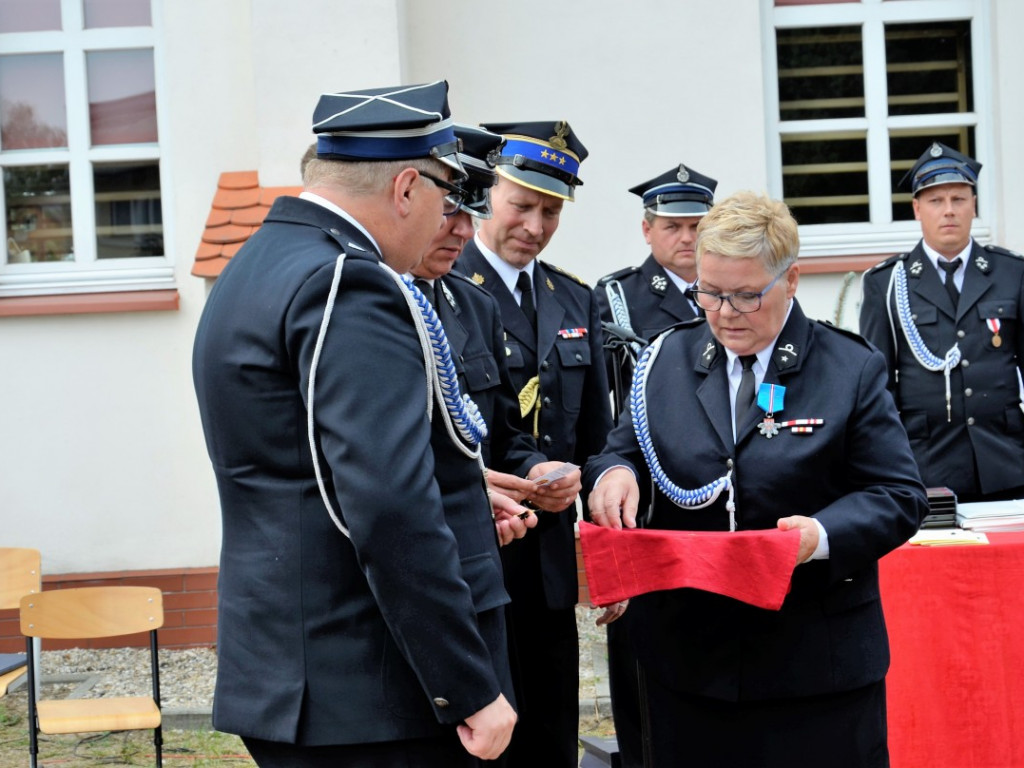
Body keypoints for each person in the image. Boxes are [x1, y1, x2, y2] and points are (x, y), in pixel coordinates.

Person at [192, 81, 525, 767]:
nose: (447, 220)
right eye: (444, 194)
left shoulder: (259, 263)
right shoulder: (351, 283)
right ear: (407, 187)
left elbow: (303, 466)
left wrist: (458, 495)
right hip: (373, 688)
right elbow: (385, 505)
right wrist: (466, 685)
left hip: (300, 671)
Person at [584, 191, 927, 768]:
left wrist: (818, 536)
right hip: (690, 665)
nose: (723, 313)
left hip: (815, 667)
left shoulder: (849, 367)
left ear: (790, 280)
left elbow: (898, 495)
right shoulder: (666, 357)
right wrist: (613, 474)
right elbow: (623, 446)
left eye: (745, 296)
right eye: (710, 292)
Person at [454, 120, 613, 767]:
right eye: (522, 205)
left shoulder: (574, 297)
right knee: (486, 739)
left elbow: (598, 436)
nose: (537, 225)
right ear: (485, 193)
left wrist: (605, 548)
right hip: (476, 550)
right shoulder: (446, 287)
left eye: (551, 211)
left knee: (551, 734)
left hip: (548, 557)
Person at [409, 123, 582, 512]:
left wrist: (537, 468)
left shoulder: (473, 304)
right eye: (450, 212)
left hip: (522, 521)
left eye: (550, 212)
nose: (466, 231)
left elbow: (503, 435)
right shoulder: (374, 299)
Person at [860, 141, 1024, 502]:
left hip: (1007, 460)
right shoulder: (886, 283)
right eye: (936, 201)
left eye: (959, 199)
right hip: (926, 465)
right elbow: (877, 386)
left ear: (973, 205)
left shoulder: (1012, 273)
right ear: (917, 209)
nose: (948, 211)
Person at [596, 163, 718, 414]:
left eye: (696, 227)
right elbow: (594, 395)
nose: (686, 238)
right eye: (672, 227)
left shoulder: (730, 292)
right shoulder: (617, 296)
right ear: (647, 231)